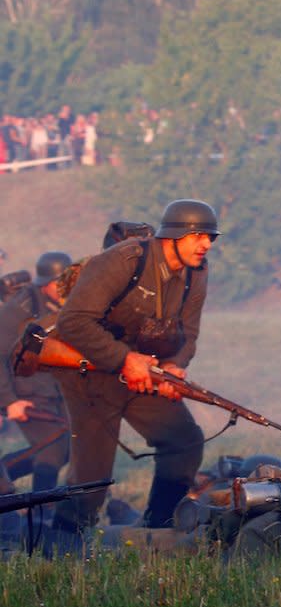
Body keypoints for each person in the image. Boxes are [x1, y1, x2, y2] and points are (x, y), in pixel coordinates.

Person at [50, 199, 218, 533]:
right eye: (199, 235)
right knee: (91, 478)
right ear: (173, 235)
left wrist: (174, 366)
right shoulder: (123, 260)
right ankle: (60, 552)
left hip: (142, 371)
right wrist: (123, 360)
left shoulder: (195, 272)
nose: (206, 244)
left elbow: (189, 332)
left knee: (184, 441)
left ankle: (157, 532)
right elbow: (73, 322)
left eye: (211, 237)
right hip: (90, 370)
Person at [0, 251, 73, 491]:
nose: (65, 288)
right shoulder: (18, 310)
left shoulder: (69, 305)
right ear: (45, 284)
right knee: (51, 451)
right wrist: (10, 401)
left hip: (55, 389)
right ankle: (43, 514)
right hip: (23, 391)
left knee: (68, 449)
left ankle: (4, 471)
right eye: (59, 283)